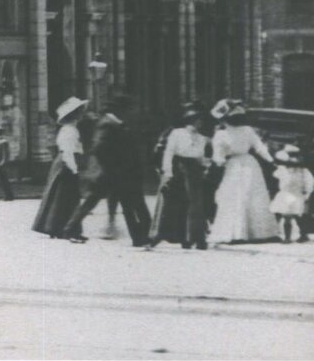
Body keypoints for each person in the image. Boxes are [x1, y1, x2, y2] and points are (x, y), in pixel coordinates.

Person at [62, 104, 153, 246]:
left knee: (125, 203)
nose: (130, 112)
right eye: (128, 109)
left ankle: (138, 238)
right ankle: (69, 229)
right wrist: (113, 165)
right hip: (106, 174)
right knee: (92, 202)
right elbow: (99, 148)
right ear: (119, 110)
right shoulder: (107, 124)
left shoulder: (115, 123)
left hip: (116, 174)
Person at [207, 102, 278, 245]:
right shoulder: (248, 130)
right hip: (250, 165)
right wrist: (271, 160)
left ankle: (236, 233)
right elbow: (260, 148)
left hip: (233, 165)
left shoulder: (221, 134)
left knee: (235, 197)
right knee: (254, 195)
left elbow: (218, 157)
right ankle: (260, 232)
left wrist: (218, 163)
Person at [153, 104, 212, 250]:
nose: (200, 123)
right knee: (173, 203)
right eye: (197, 120)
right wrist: (167, 171)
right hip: (178, 168)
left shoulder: (202, 138)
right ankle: (162, 235)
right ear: (190, 120)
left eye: (201, 120)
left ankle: (194, 237)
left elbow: (200, 157)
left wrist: (206, 165)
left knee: (195, 204)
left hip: (194, 172)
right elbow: (169, 151)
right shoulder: (177, 133)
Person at [32, 97, 88, 237]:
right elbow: (67, 151)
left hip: (62, 164)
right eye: (80, 111)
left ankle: (56, 227)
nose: (82, 114)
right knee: (66, 197)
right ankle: (66, 229)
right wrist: (74, 169)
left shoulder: (69, 129)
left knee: (60, 197)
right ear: (74, 114)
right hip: (66, 164)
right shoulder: (70, 130)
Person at [269, 144, 314, 242]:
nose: (294, 160)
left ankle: (303, 235)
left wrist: (307, 191)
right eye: (291, 156)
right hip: (286, 195)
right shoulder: (283, 170)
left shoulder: (303, 171)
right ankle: (287, 237)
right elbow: (275, 175)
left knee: (300, 216)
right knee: (287, 217)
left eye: (296, 156)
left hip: (298, 195)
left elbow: (310, 181)